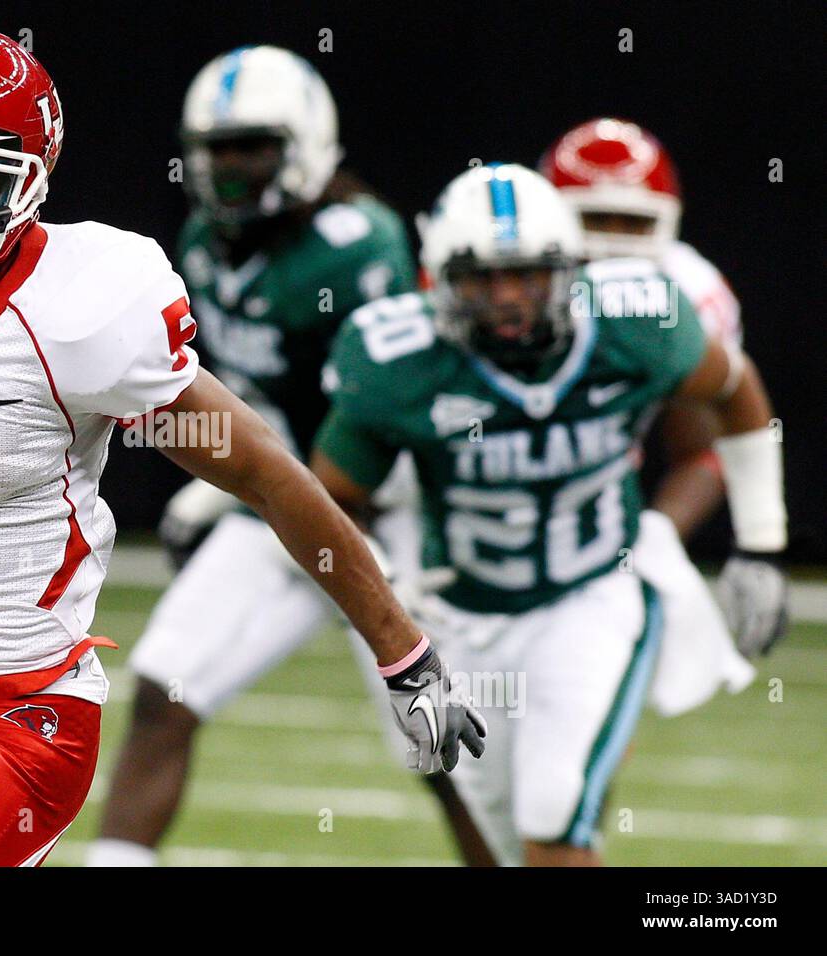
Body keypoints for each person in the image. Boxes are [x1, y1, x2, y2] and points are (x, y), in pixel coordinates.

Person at [0, 28, 484, 867]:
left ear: (21, 186)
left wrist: (407, 656)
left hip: (14, 715)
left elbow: (269, 478)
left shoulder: (85, 310)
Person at [310, 163, 787, 866]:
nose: (507, 299)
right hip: (463, 620)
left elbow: (735, 388)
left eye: (528, 275)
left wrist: (761, 540)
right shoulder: (398, 360)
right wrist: (390, 600)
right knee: (507, 841)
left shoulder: (635, 322)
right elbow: (331, 504)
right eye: (480, 278)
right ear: (438, 279)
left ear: (569, 269)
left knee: (553, 812)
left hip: (592, 595)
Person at [86, 45, 423, 868]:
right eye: (218, 150)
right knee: (165, 687)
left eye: (253, 148)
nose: (231, 169)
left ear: (305, 145)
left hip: (382, 512)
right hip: (277, 504)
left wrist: (220, 493)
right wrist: (221, 485)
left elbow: (377, 414)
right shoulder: (204, 239)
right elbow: (235, 394)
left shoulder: (357, 244)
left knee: (440, 737)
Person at [540, 117, 743, 541]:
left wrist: (656, 541)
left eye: (633, 222)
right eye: (595, 219)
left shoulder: (686, 295)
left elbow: (703, 448)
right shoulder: (507, 283)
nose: (614, 242)